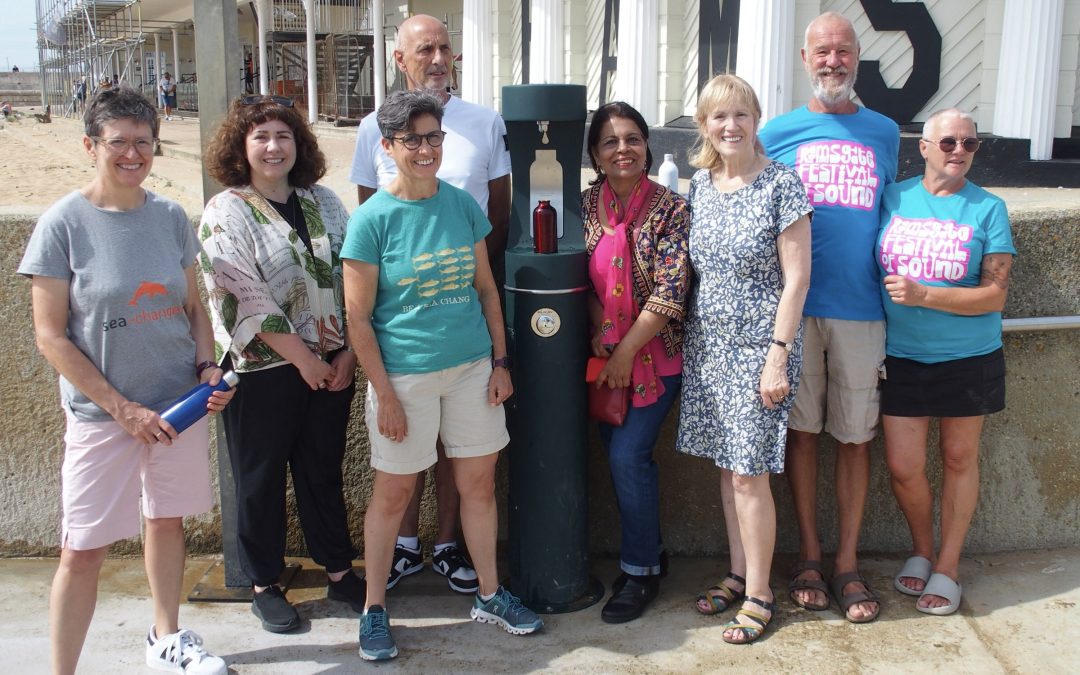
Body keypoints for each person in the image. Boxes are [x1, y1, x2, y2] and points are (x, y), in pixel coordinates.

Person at [18, 87, 230, 675]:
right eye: (119, 142)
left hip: (175, 410)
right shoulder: (62, 223)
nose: (132, 154)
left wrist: (206, 369)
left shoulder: (168, 217)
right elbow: (50, 336)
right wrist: (121, 410)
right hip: (102, 418)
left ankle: (167, 638)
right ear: (91, 146)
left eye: (144, 142)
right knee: (82, 550)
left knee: (165, 521)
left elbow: (194, 308)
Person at [343, 89, 542, 661]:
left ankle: (488, 593)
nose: (426, 149)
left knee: (477, 485)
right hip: (403, 378)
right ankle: (374, 608)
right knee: (393, 492)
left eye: (434, 137)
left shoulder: (460, 206)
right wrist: (383, 393)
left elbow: (485, 289)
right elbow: (358, 320)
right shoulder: (371, 221)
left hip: (472, 371)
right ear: (388, 147)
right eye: (413, 140)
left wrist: (500, 361)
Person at [348, 13, 511, 596]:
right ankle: (400, 557)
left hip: (466, 338)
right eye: (425, 48)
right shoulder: (373, 133)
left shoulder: (484, 124)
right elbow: (371, 231)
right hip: (406, 351)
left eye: (446, 46)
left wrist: (494, 349)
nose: (439, 57)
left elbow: (497, 217)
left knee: (468, 465)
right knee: (398, 471)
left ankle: (449, 547)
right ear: (400, 59)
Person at [199, 94, 365, 633]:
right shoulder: (226, 210)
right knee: (260, 477)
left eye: (284, 136)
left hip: (333, 364)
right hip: (263, 373)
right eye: (261, 137)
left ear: (300, 145)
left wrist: (346, 353)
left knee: (322, 471)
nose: (274, 147)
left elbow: (355, 277)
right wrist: (304, 360)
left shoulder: (325, 202)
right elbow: (246, 296)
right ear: (241, 148)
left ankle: (339, 571)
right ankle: (264, 582)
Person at [758, 10, 899, 623]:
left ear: (857, 60)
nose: (832, 62)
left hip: (863, 309)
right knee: (802, 434)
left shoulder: (886, 132)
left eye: (843, 52)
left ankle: (847, 561)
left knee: (855, 437)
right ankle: (809, 556)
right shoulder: (778, 132)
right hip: (798, 310)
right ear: (804, 58)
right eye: (822, 52)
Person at [677, 74, 812, 644]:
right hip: (708, 349)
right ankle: (738, 572)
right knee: (729, 470)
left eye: (740, 115)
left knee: (751, 476)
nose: (730, 126)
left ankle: (760, 593)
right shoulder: (701, 186)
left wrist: (777, 357)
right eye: (717, 117)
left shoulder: (782, 183)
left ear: (757, 120)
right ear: (704, 126)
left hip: (760, 349)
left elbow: (798, 277)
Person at [878, 109, 1015, 616]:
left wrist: (924, 295)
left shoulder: (988, 208)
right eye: (950, 141)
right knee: (903, 466)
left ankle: (949, 565)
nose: (960, 150)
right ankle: (922, 550)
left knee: (959, 459)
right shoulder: (893, 197)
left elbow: (994, 295)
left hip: (969, 357)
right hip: (902, 354)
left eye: (971, 143)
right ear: (925, 147)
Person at [582, 102, 690, 623]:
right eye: (610, 141)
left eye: (632, 138)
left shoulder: (672, 208)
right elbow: (578, 279)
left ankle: (642, 569)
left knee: (628, 456)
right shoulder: (583, 206)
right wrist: (605, 332)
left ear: (647, 145)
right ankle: (651, 554)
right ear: (596, 155)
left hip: (655, 361)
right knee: (615, 452)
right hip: (601, 358)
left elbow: (672, 292)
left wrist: (625, 351)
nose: (622, 149)